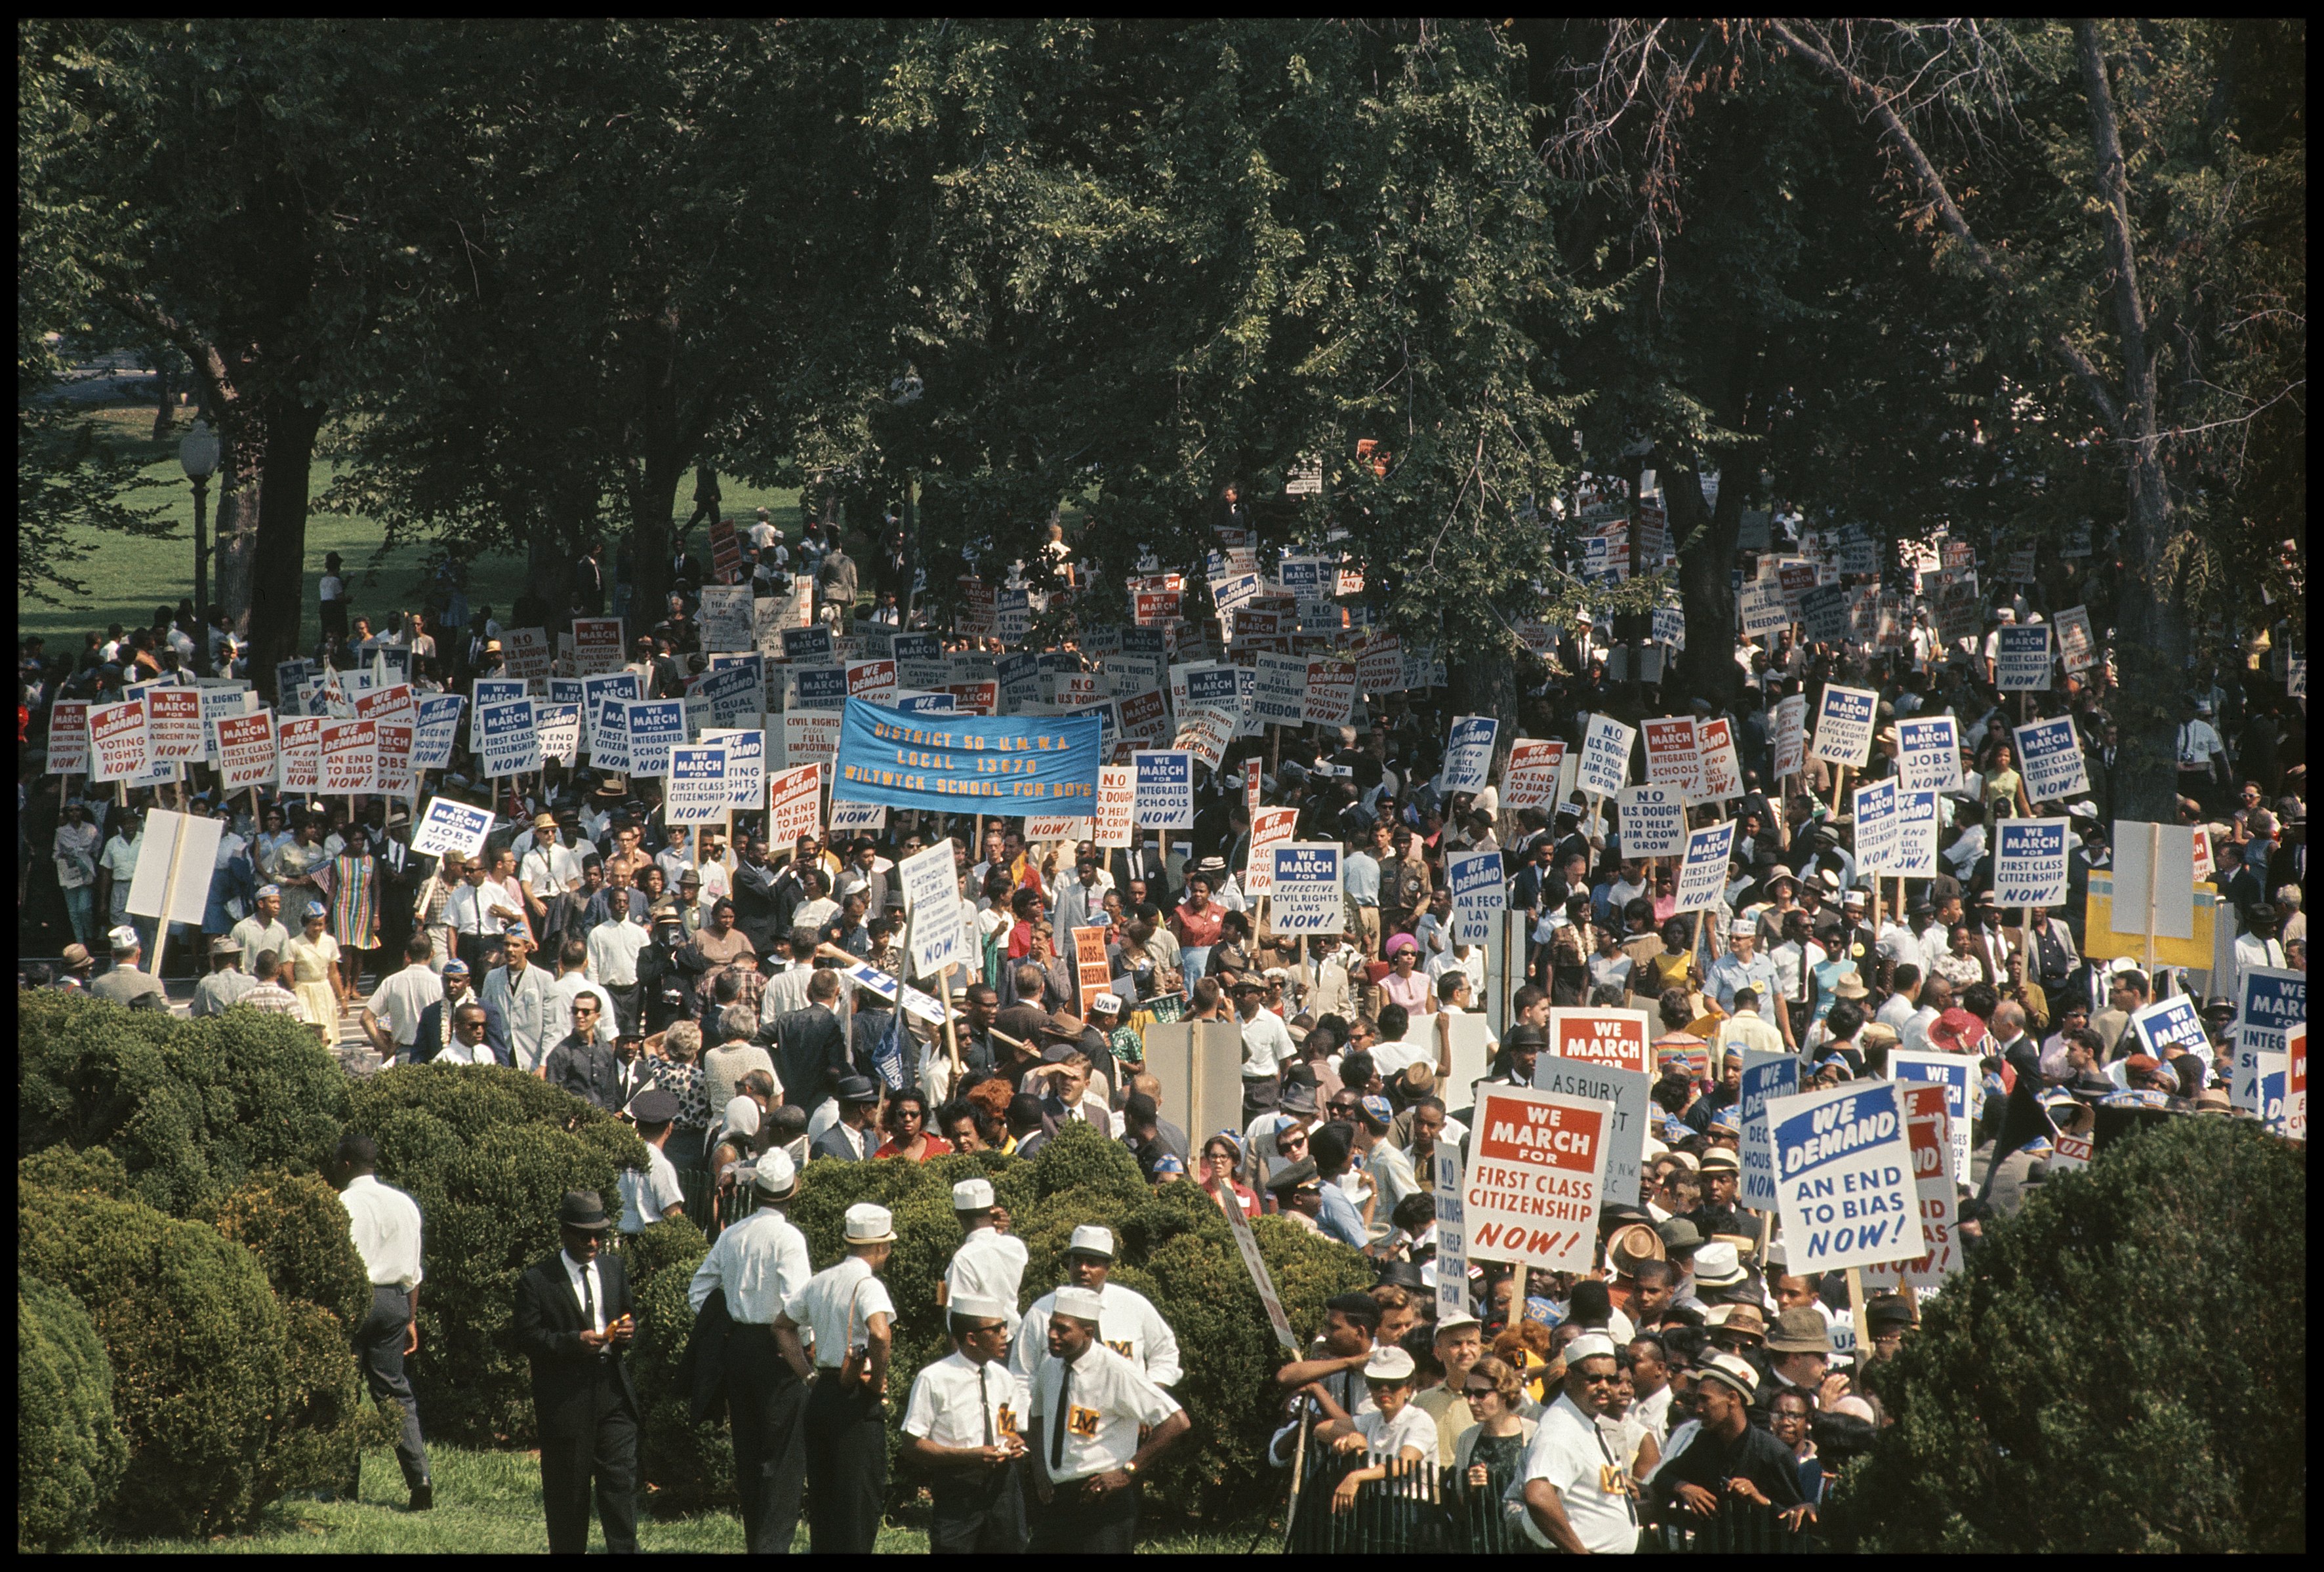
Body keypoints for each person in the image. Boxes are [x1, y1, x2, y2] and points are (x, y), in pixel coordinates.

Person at [687, 1152, 814, 1553]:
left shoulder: (733, 1234)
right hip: (778, 1347)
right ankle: (772, 1545)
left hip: (739, 1347)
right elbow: (798, 1301)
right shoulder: (789, 1238)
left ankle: (756, 1542)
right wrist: (804, 1347)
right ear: (792, 1193)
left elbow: (699, 1291)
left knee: (749, 1450)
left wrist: (729, 1319)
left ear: (756, 1192)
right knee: (784, 1457)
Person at [511, 1190, 642, 1554]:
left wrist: (627, 1334)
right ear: (564, 1233)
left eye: (599, 1234)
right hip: (566, 1399)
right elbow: (526, 1337)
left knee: (619, 1485)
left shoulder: (614, 1270)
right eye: (584, 1235)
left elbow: (629, 1315)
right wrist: (572, 1342)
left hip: (612, 1390)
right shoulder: (538, 1280)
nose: (593, 1242)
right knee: (568, 1493)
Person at [1025, 1284, 1193, 1553]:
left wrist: (1128, 1472)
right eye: (1051, 1327)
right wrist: (1040, 1470)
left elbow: (1176, 1422)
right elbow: (1037, 1416)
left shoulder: (1115, 1370)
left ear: (1088, 1333)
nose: (1052, 1336)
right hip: (1058, 1500)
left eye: (1063, 1330)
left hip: (1103, 1499)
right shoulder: (1050, 1366)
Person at [781, 1202, 899, 1554]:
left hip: (823, 1393)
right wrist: (878, 1381)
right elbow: (880, 1334)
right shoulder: (869, 1285)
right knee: (858, 1505)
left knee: (825, 1501)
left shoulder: (820, 1281)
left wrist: (808, 1375)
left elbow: (782, 1326)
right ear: (879, 1247)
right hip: (855, 1400)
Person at [327, 1132, 432, 1510]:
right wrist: (411, 1319)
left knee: (344, 1391)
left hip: (357, 1300)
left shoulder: (343, 1203)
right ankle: (420, 1478)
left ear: (347, 1165)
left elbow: (340, 1267)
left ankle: (342, 1484)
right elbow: (414, 1272)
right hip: (394, 1302)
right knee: (394, 1390)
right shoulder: (405, 1204)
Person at [903, 1291, 1032, 1554]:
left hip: (1003, 1490)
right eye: (996, 1329)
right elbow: (913, 1445)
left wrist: (1014, 1443)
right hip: (957, 1489)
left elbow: (1009, 1429)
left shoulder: (1004, 1378)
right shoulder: (935, 1379)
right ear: (972, 1338)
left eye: (1005, 1327)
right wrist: (968, 1456)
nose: (1005, 1334)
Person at [1641, 1350, 1808, 1531]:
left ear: (1733, 1399)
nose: (1698, 1409)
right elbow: (1663, 1476)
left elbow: (1797, 1518)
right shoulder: (1706, 1442)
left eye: (1705, 1400)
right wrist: (1685, 1488)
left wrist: (1761, 1500)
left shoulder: (1774, 1453)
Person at [1516, 1332, 1643, 1553]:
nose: (1604, 1386)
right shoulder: (1561, 1429)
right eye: (1594, 1379)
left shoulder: (1584, 1419)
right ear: (1570, 1379)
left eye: (1611, 1379)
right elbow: (1539, 1496)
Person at [1010, 1225, 1183, 1388]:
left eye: (1092, 1263)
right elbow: (1022, 1375)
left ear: (1107, 1267)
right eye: (1077, 1262)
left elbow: (1165, 1352)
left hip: (1124, 1417)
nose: (1083, 1269)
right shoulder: (1042, 1311)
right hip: (1063, 1414)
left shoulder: (1134, 1306)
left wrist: (1148, 1398)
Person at [1310, 1345, 1436, 1512]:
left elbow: (1404, 1465)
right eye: (1376, 1384)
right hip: (1378, 1504)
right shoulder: (1373, 1419)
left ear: (1409, 1388)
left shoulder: (1419, 1420)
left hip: (1411, 1506)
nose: (1384, 1389)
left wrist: (1356, 1477)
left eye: (1393, 1384)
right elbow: (1321, 1429)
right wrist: (1354, 1437)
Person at [944, 1177, 1029, 1335]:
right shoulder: (1016, 1247)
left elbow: (958, 1317)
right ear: (993, 1209)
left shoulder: (964, 1259)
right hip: (1015, 1333)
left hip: (983, 1343)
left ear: (958, 1216)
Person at [483, 931, 563, 1074]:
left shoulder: (544, 979)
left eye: (516, 945)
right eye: (507, 945)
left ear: (526, 948)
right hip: (502, 1057)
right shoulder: (492, 978)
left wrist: (543, 1063)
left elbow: (551, 1026)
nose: (510, 950)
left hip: (531, 1058)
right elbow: (486, 1018)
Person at [360, 931, 445, 1066]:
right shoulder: (440, 983)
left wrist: (385, 1048)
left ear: (407, 955)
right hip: (434, 1052)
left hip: (404, 1053)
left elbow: (366, 1018)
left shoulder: (391, 982)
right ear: (432, 954)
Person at [544, 993, 623, 1110]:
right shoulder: (561, 1052)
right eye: (575, 1011)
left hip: (601, 1120)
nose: (579, 1016)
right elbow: (554, 1095)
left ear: (597, 1016)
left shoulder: (605, 1050)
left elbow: (609, 1093)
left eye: (586, 1012)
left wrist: (609, 1118)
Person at [190, 935, 256, 1017]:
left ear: (215, 961)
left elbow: (196, 1015)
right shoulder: (252, 982)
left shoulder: (205, 984)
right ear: (238, 960)